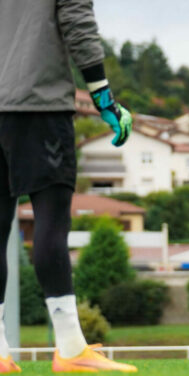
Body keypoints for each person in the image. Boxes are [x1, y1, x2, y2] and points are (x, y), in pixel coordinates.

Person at [0, 0, 134, 372]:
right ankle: (72, 349)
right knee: (50, 223)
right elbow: (78, 25)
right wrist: (104, 99)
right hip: (37, 109)